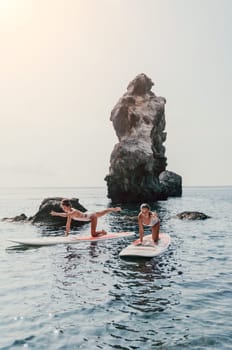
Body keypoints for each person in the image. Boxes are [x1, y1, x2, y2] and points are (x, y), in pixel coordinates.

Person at [50, 198, 121, 237]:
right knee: (103, 212)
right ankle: (114, 209)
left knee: (93, 234)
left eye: (64, 208)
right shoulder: (70, 214)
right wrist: (66, 235)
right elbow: (68, 224)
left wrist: (56, 213)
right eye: (63, 208)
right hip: (89, 214)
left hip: (92, 216)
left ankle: (103, 232)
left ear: (68, 206)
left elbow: (65, 215)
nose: (63, 209)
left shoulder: (74, 211)